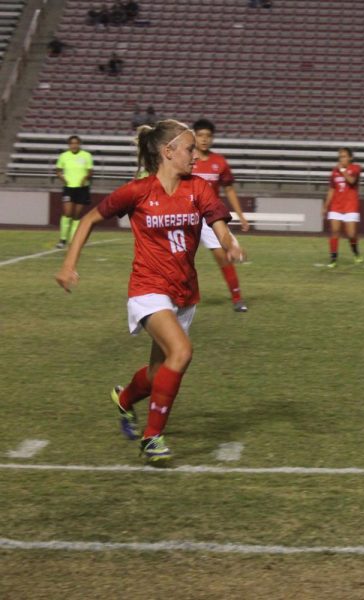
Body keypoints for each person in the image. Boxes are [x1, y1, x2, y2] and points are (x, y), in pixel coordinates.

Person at [54, 120, 243, 463]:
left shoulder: (198, 188)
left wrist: (229, 243)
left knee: (160, 372)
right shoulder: (137, 191)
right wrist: (69, 264)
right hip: (148, 288)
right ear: (167, 152)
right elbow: (88, 220)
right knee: (182, 352)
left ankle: (125, 399)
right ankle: (152, 437)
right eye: (188, 149)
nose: (194, 156)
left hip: (184, 292)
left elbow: (217, 222)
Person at [191, 118, 251, 312]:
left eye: (208, 136)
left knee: (223, 257)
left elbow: (230, 190)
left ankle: (237, 298)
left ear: (212, 138)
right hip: (187, 216)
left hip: (209, 218)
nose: (204, 139)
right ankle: (174, 298)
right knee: (177, 259)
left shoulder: (219, 162)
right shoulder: (187, 159)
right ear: (194, 136)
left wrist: (241, 216)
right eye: (200, 135)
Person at [321, 147, 362, 267]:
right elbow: (332, 189)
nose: (342, 159)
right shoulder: (334, 172)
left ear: (350, 158)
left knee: (351, 234)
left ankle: (356, 252)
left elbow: (352, 181)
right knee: (334, 231)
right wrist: (325, 206)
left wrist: (343, 170)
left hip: (350, 205)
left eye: (344, 156)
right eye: (340, 157)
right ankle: (333, 258)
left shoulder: (356, 168)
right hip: (336, 206)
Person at [54, 135, 93, 249]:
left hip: (82, 189)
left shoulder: (86, 155)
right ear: (69, 145)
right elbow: (58, 171)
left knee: (76, 215)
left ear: (79, 144)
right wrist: (63, 179)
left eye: (76, 143)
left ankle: (73, 240)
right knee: (67, 213)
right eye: (72, 143)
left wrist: (84, 179)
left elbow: (90, 172)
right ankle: (62, 239)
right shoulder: (63, 156)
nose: (74, 145)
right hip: (69, 188)